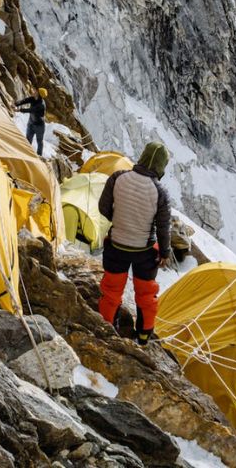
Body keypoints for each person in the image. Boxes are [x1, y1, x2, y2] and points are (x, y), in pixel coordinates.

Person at [97, 142, 171, 345]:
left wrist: (120, 220)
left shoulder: (117, 178)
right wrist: (164, 252)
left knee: (111, 290)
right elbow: (163, 227)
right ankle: (144, 335)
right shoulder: (160, 192)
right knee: (146, 294)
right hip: (144, 251)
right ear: (161, 166)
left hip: (117, 245)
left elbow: (103, 208)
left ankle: (107, 327)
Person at [15, 87, 48, 156]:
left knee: (39, 141)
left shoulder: (41, 104)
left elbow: (31, 110)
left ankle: (39, 155)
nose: (34, 91)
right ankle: (27, 154)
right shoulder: (33, 98)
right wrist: (16, 104)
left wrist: (19, 110)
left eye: (36, 91)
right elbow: (25, 100)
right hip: (31, 123)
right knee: (28, 140)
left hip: (39, 126)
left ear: (38, 94)